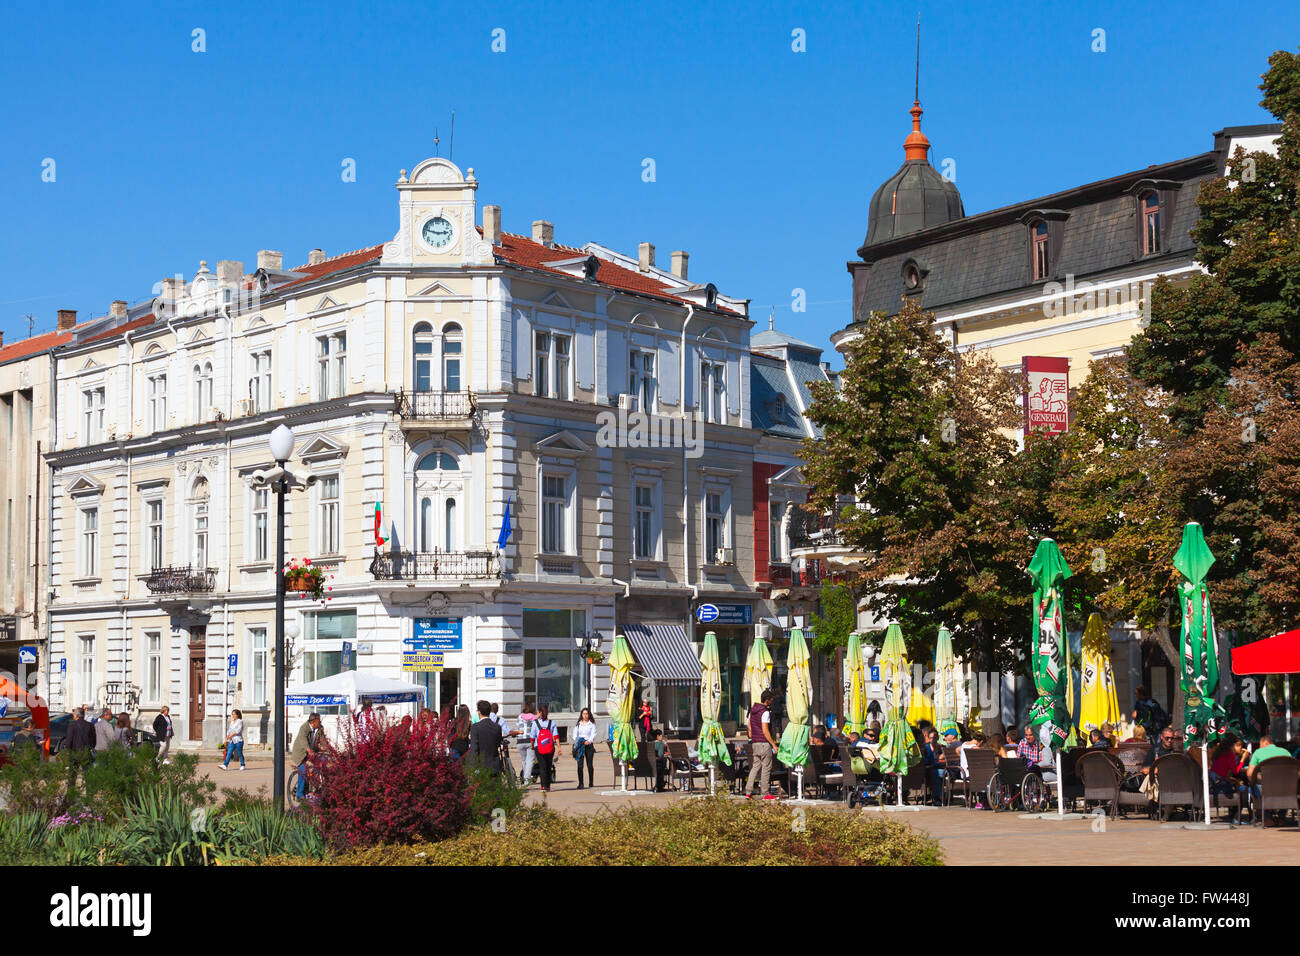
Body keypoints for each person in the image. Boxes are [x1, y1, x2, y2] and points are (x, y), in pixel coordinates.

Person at [744, 689, 779, 800]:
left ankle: (748, 791)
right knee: (766, 768)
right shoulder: (765, 712)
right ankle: (765, 793)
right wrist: (773, 744)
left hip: (755, 743)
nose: (772, 702)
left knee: (755, 767)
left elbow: (749, 725)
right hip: (764, 743)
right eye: (771, 700)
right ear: (767, 700)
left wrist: (752, 735)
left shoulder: (753, 710)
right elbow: (765, 730)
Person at [289, 713, 324, 800]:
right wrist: (308, 749)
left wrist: (329, 749)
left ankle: (314, 788)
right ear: (313, 721)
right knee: (303, 770)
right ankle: (299, 794)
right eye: (319, 721)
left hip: (311, 752)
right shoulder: (304, 727)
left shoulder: (319, 729)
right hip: (301, 754)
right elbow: (302, 739)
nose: (320, 722)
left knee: (319, 766)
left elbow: (323, 741)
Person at [467, 700, 504, 774]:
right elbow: (498, 743)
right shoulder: (497, 727)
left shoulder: (475, 727)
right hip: (494, 765)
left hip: (481, 767)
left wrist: (472, 766)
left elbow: (474, 748)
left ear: (479, 712)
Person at [532, 704, 559, 792]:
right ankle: (548, 785)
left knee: (542, 766)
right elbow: (556, 736)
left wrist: (532, 746)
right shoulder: (552, 723)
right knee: (548, 765)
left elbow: (532, 737)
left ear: (540, 712)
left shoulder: (535, 723)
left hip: (539, 747)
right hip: (550, 748)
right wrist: (559, 747)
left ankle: (543, 786)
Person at [572, 707, 597, 788]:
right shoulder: (578, 724)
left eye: (586, 714)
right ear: (581, 715)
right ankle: (581, 783)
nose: (585, 715)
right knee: (580, 765)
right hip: (580, 745)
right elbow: (575, 735)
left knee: (589, 765)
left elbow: (593, 734)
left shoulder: (592, 724)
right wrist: (579, 741)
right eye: (584, 714)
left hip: (588, 746)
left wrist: (589, 741)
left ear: (589, 715)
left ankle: (591, 782)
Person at [921, 727, 947, 805]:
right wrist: (937, 762)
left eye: (935, 737)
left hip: (942, 768)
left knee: (938, 773)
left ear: (938, 737)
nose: (933, 739)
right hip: (929, 770)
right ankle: (939, 797)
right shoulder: (926, 748)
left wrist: (939, 762)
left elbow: (947, 760)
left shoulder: (942, 748)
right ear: (928, 738)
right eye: (931, 738)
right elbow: (926, 762)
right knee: (935, 773)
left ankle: (939, 797)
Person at [516, 700, 538, 785]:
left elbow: (518, 726)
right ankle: (526, 779)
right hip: (530, 741)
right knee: (530, 761)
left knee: (524, 760)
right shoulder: (534, 717)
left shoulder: (520, 717)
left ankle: (525, 778)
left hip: (520, 741)